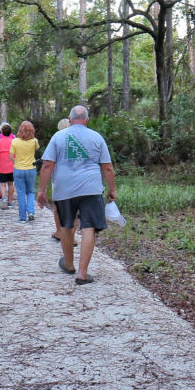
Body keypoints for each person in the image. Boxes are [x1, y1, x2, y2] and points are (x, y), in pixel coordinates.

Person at [37, 105, 116, 285]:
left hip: (64, 189)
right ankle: (83, 272)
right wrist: (112, 189)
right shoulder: (96, 137)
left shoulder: (59, 136)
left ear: (70, 119)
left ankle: (69, 264)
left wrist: (41, 190)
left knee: (65, 225)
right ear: (87, 120)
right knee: (89, 227)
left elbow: (47, 165)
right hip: (91, 189)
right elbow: (107, 167)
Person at [10, 120, 39, 223]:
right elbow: (37, 149)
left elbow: (11, 157)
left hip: (18, 169)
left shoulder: (15, 141)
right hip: (31, 169)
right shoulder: (34, 141)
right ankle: (31, 212)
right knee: (30, 191)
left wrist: (17, 161)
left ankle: (22, 218)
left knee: (21, 193)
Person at [0, 122, 16, 214]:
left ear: (2, 132)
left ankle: (4, 198)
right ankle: (10, 201)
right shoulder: (14, 142)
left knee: (3, 184)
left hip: (2, 165)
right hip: (12, 165)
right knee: (11, 184)